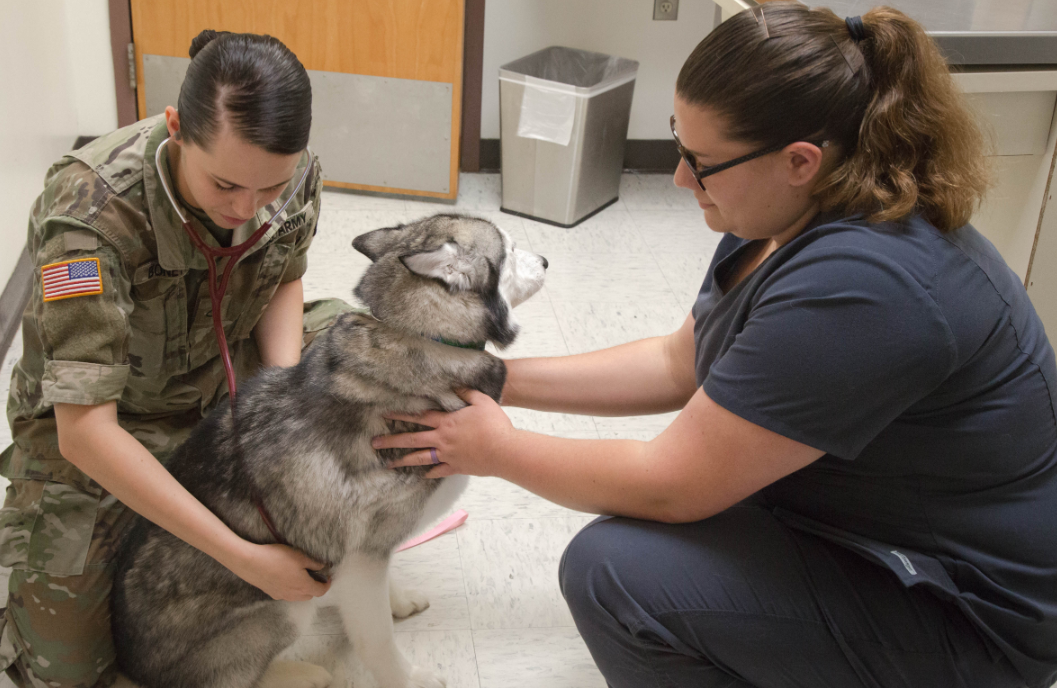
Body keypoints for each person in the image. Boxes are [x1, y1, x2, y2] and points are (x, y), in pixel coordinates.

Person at [373, 4, 1057, 687]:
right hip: (861, 522)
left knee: (617, 573)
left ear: (798, 161)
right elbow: (679, 363)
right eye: (677, 145)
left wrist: (494, 448)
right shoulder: (776, 211)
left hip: (967, 616)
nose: (677, 178)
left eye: (699, 163)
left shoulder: (868, 287)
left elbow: (672, 486)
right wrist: (490, 377)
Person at [0, 30, 350, 688]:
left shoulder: (288, 170)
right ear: (175, 130)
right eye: (224, 184)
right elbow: (85, 431)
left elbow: (283, 277)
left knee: (380, 354)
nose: (246, 209)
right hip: (111, 417)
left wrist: (278, 399)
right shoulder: (90, 214)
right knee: (64, 670)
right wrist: (246, 559)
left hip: (224, 372)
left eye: (268, 188)